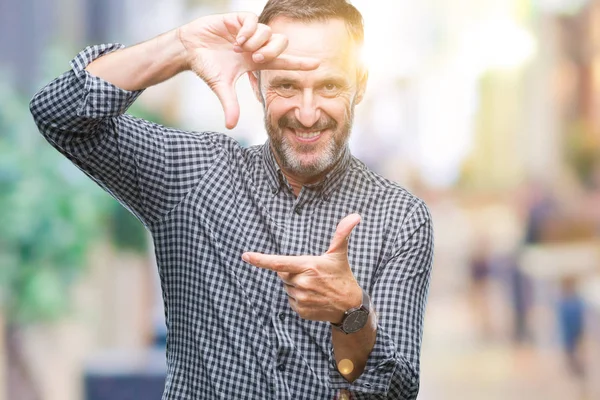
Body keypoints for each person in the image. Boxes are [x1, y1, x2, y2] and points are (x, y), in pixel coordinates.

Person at [29, 0, 434, 398]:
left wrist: (352, 314)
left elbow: (395, 390)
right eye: (287, 85)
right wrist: (179, 48)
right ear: (257, 83)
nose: (307, 114)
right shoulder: (193, 175)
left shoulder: (401, 218)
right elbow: (58, 113)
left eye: (329, 85)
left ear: (359, 84)